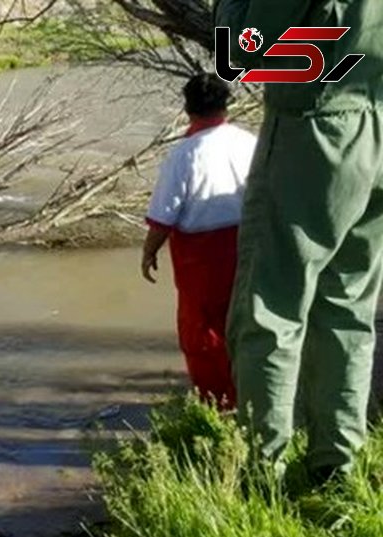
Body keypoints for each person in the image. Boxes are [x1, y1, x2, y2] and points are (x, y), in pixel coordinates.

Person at [217, 0, 382, 481]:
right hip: (377, 122)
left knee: (269, 310)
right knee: (349, 307)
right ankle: (338, 467)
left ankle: (261, 474)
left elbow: (243, 49)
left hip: (316, 127)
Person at [140, 74, 257, 410]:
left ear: (188, 109)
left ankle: (218, 406)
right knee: (248, 323)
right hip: (250, 245)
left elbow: (164, 215)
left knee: (203, 334)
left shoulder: (183, 155)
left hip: (202, 259)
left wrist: (148, 252)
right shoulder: (248, 141)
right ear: (226, 106)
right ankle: (255, 398)